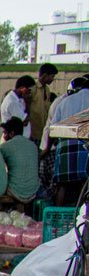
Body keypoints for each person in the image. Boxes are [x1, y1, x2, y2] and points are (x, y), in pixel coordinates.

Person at [45, 75, 89, 205]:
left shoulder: (64, 102)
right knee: (84, 183)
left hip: (65, 145)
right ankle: (81, 215)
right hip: (85, 146)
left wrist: (47, 149)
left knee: (62, 184)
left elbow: (52, 130)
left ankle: (58, 214)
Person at [0, 117, 41, 203]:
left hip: (16, 191)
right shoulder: (33, 145)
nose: (4, 136)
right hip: (33, 190)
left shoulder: (6, 146)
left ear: (11, 133)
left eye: (5, 133)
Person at [28, 63, 59, 144]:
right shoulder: (33, 88)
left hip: (42, 130)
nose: (52, 79)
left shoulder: (47, 90)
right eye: (52, 76)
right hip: (33, 131)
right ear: (45, 75)